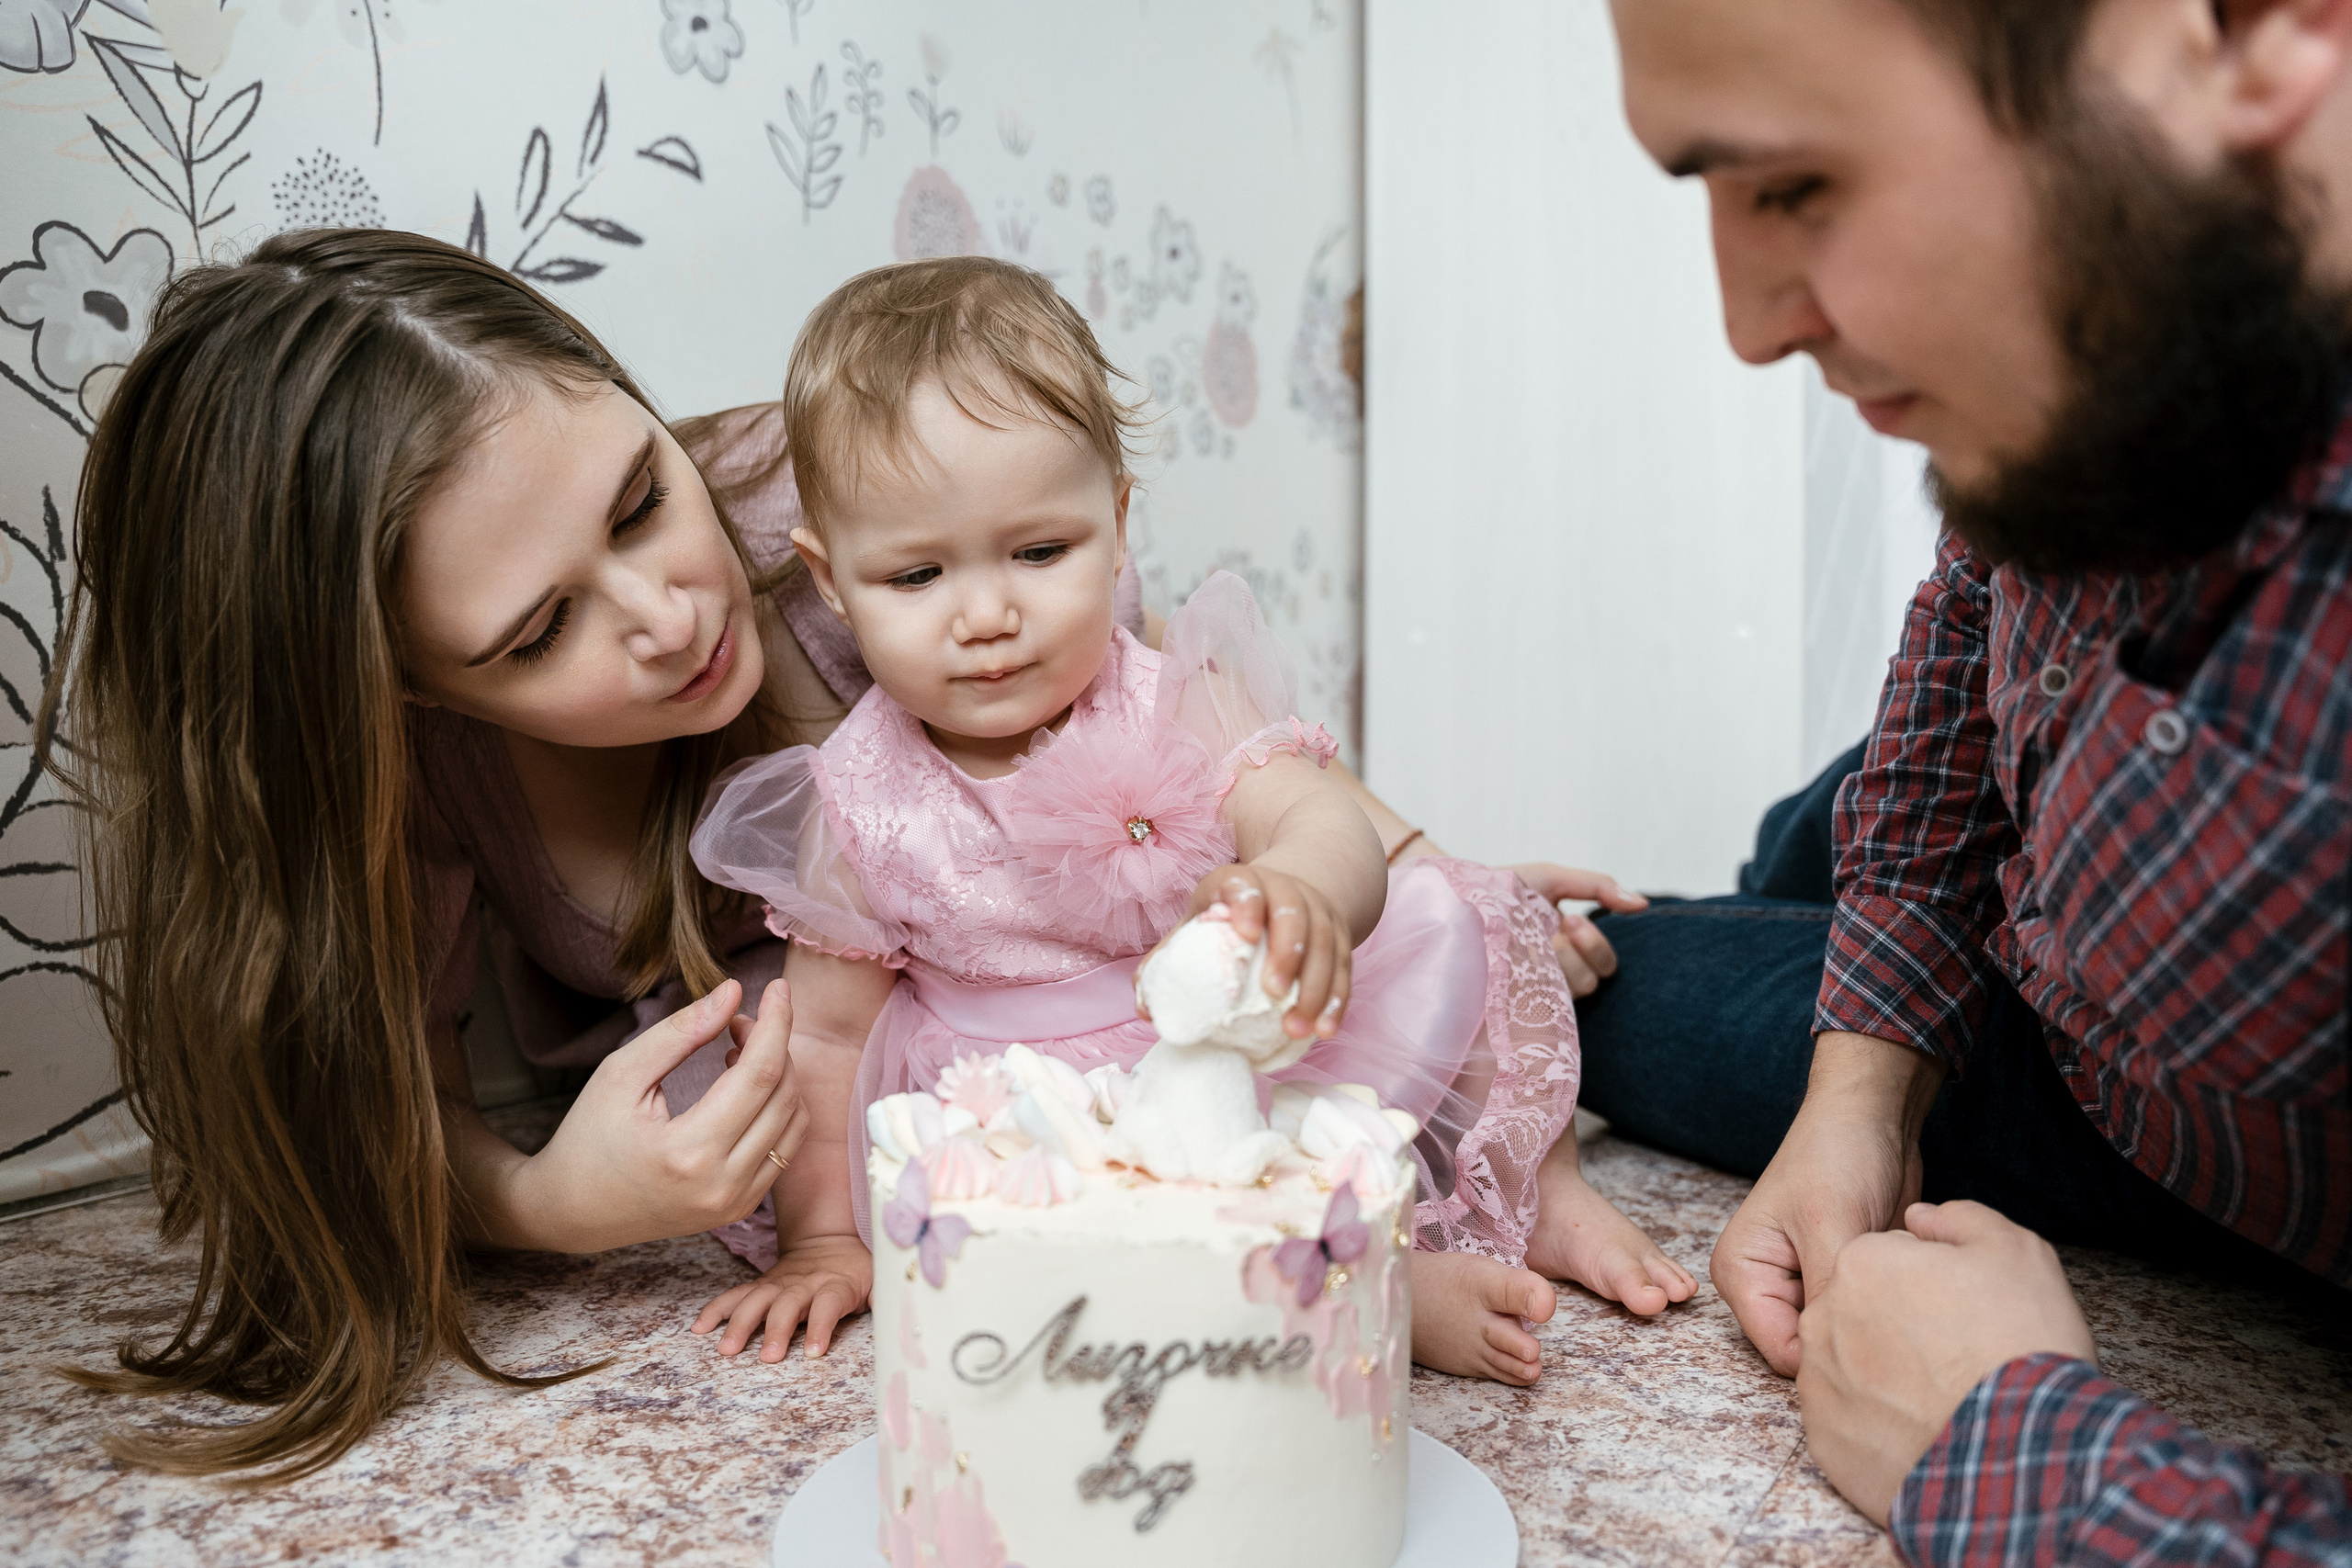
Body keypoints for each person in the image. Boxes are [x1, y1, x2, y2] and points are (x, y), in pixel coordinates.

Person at [45, 228, 1644, 1480]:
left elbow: (1172, 752)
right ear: (406, 686)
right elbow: (401, 1116)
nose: (670, 615)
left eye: (636, 501)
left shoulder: (824, 495)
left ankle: (1497, 1176)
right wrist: (553, 1201)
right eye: (542, 632)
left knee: (1540, 957)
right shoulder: (418, 782)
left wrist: (1418, 862)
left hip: (1111, 976)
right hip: (885, 1074)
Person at [1584, 0, 2352, 1556]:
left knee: (1583, 977)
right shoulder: (2119, 356)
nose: (1749, 325)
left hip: (2150, 1110)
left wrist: (2007, 1444)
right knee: (1776, 853)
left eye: (1795, 186)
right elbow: (1975, 605)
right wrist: (1864, 1086)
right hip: (2053, 898)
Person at [682, 256, 1695, 1386]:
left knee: (1462, 910)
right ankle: (1375, 1295)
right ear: (830, 583)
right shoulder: (856, 794)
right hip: (1021, 1114)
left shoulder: (1178, 693)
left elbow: (1313, 814)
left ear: (1114, 525)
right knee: (1075, 1268)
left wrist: (1309, 887)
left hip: (1225, 1047)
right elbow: (827, 1039)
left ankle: (1535, 1192)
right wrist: (825, 1238)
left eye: (1038, 552)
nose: (987, 615)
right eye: (916, 576)